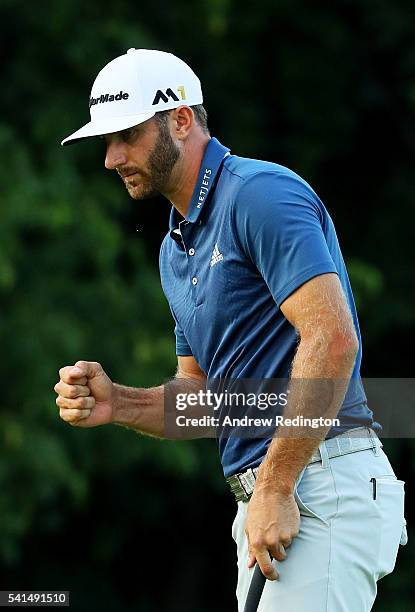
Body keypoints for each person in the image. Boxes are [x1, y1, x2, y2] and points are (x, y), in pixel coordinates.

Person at [55, 48, 407, 611]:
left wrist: (273, 486)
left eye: (127, 135)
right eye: (107, 140)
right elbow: (207, 400)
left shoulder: (259, 194)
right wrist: (118, 403)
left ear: (181, 119)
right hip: (272, 497)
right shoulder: (176, 247)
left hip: (315, 483)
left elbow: (332, 339)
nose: (111, 157)